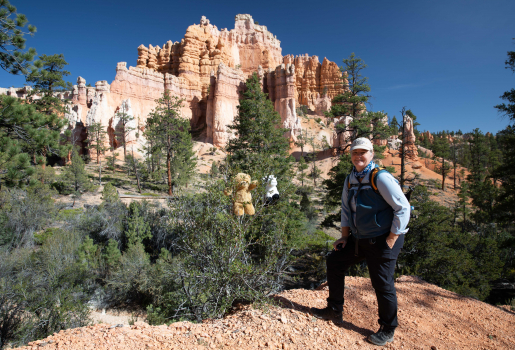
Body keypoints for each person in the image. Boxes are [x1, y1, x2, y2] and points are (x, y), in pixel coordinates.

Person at [311, 137, 410, 347]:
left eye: (363, 152)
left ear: (371, 154)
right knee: (335, 261)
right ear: (351, 156)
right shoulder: (350, 179)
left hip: (384, 238)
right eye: (355, 153)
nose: (359, 156)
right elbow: (346, 211)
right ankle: (334, 309)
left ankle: (387, 328)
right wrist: (345, 236)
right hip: (360, 238)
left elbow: (403, 208)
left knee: (382, 282)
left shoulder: (380, 178)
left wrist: (392, 238)